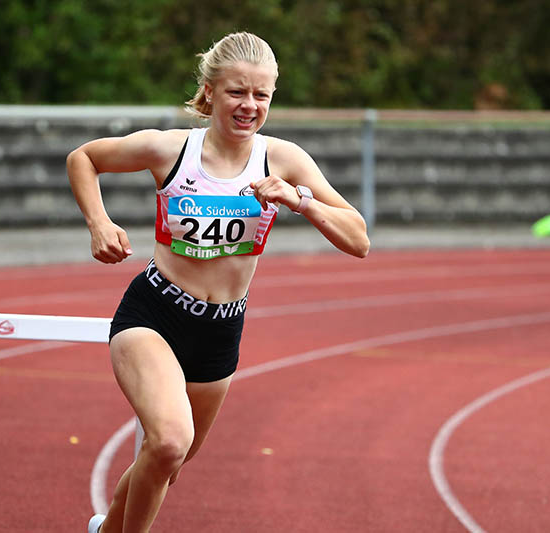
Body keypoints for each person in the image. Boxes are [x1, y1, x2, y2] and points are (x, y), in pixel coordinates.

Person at [67, 31, 370, 533]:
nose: (249, 105)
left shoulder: (284, 160)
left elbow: (358, 238)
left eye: (261, 95)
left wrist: (301, 201)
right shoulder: (170, 150)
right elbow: (85, 158)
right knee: (168, 442)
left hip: (221, 330)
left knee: (167, 464)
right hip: (155, 314)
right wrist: (99, 223)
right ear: (209, 92)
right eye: (236, 92)